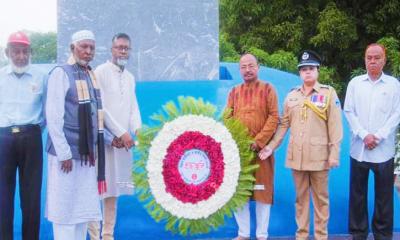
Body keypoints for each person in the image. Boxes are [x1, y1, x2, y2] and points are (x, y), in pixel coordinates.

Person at [45, 30, 134, 240]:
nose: (88, 51)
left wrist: (111, 139)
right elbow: (53, 117)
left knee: (82, 212)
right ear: (72, 48)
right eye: (83, 47)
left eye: (91, 47)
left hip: (87, 156)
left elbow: (96, 118)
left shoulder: (89, 75)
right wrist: (64, 153)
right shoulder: (61, 73)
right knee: (65, 211)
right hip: (66, 157)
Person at [259, 50, 343, 240]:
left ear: (317, 71)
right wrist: (271, 146)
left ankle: (321, 236)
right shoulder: (292, 96)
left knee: (321, 201)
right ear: (299, 73)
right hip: (297, 159)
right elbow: (283, 125)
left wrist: (334, 154)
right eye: (303, 69)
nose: (307, 72)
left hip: (320, 158)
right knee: (300, 200)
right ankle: (302, 236)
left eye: (311, 68)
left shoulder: (328, 93)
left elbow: (335, 127)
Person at [87, 33, 141, 240]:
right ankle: (93, 236)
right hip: (103, 139)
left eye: (126, 48)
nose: (122, 51)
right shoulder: (100, 72)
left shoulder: (130, 77)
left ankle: (108, 235)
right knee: (96, 189)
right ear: (111, 49)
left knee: (113, 190)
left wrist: (137, 129)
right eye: (119, 47)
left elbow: (133, 106)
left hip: (124, 143)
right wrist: (120, 132)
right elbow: (101, 108)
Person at [344, 43, 400, 240]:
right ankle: (358, 233)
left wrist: (379, 136)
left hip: (383, 150)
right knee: (358, 195)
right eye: (369, 57)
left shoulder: (394, 85)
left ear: (384, 59)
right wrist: (364, 134)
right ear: (365, 60)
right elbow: (349, 111)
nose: (373, 61)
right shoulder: (355, 83)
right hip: (359, 148)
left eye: (377, 57)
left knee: (384, 196)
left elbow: (397, 113)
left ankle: (383, 234)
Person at [226, 53, 279, 240]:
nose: (247, 70)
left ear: (258, 67)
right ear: (239, 69)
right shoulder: (234, 91)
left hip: (262, 152)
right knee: (240, 193)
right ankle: (243, 234)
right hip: (239, 152)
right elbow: (227, 118)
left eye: (251, 66)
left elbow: (274, 117)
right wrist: (239, 142)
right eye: (243, 67)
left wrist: (258, 142)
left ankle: (262, 235)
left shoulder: (268, 89)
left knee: (263, 193)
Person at [0, 31, 47, 240]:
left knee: (31, 198)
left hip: (31, 139)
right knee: (3, 197)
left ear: (31, 52)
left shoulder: (41, 77)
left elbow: (48, 111)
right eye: (16, 52)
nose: (21, 56)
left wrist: (34, 130)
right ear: (7, 52)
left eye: (25, 51)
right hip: (4, 140)